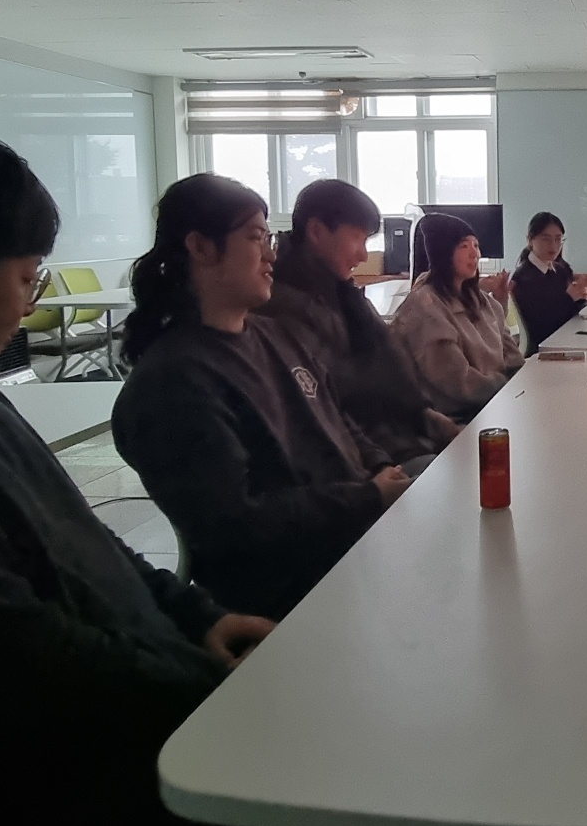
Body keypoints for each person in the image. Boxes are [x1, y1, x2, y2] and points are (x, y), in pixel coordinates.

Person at [0, 131, 338, 826]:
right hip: (59, 809)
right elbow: (32, 665)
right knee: (337, 770)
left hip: (142, 699)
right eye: (28, 279)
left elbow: (90, 541)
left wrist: (197, 617)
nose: (28, 305)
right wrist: (215, 690)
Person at [114, 175, 409, 621]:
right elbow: (240, 523)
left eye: (269, 238)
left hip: (356, 538)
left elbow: (335, 415)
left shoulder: (273, 334)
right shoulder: (173, 382)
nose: (271, 254)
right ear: (201, 247)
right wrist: (369, 497)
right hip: (301, 590)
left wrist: (381, 467)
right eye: (255, 238)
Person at [263, 179, 458, 473]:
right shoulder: (282, 309)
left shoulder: (343, 294)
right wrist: (381, 471)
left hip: (402, 440)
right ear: (316, 232)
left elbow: (388, 369)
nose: (363, 255)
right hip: (367, 465)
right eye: (357, 238)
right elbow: (331, 413)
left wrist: (425, 415)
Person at [392, 212, 524, 419]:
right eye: (464, 246)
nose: (474, 253)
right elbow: (457, 380)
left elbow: (512, 356)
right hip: (459, 418)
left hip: (498, 402)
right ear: (443, 253)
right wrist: (505, 387)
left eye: (476, 245)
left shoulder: (485, 302)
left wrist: (521, 384)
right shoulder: (425, 305)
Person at [510, 211, 587, 356]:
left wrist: (582, 298)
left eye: (558, 239)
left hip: (567, 339)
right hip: (545, 349)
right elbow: (541, 324)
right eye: (545, 239)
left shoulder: (561, 270)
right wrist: (570, 298)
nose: (553, 245)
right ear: (530, 240)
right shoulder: (524, 277)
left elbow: (571, 311)